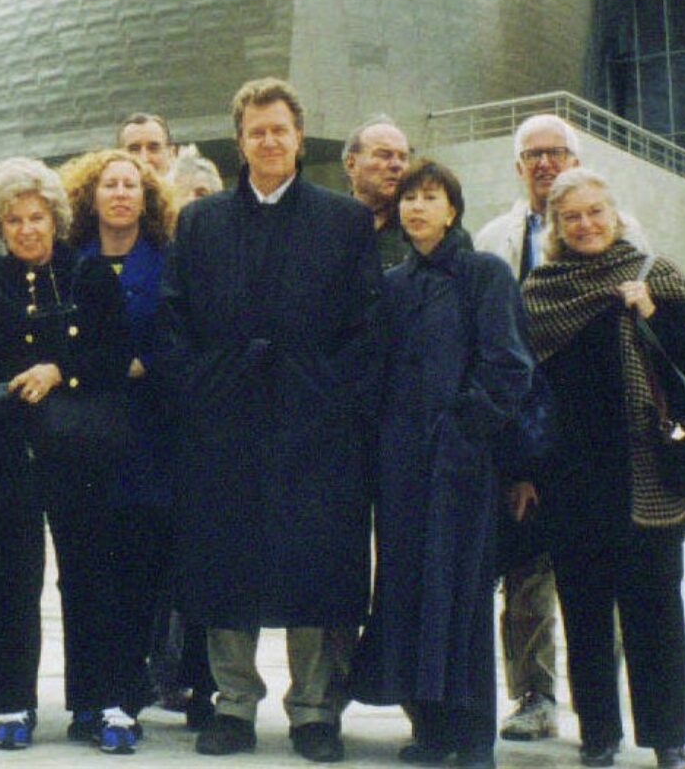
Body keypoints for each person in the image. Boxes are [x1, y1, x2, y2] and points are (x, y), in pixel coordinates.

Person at [158, 77, 383, 763]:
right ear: (240, 141)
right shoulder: (201, 222)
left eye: (280, 129)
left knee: (314, 569)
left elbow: (367, 328)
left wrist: (327, 398)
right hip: (224, 427)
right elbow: (175, 322)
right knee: (227, 569)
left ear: (298, 135)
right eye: (256, 131)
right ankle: (233, 705)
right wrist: (204, 390)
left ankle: (314, 709)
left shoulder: (343, 220)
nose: (269, 141)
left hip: (315, 430)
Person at [520, 167, 685, 769]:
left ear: (614, 215)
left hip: (650, 471)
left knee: (657, 613)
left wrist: (656, 315)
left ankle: (668, 739)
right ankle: (598, 736)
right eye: (572, 217)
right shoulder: (541, 290)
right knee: (585, 612)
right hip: (574, 479)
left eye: (596, 212)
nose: (586, 224)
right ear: (556, 227)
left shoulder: (652, 274)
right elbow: (527, 387)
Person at [0, 157, 133, 752]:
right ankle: (14, 702)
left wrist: (60, 371)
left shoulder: (91, 275)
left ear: (56, 217)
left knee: (92, 574)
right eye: (15, 220)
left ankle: (99, 704)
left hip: (82, 451)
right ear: (0, 226)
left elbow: (116, 356)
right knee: (12, 577)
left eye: (38, 217)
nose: (27, 229)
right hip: (8, 452)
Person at [353, 160, 535, 769]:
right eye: (408, 198)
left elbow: (510, 366)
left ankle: (474, 733)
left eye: (430, 197)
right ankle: (429, 725)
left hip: (461, 465)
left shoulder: (483, 275)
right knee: (406, 591)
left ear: (452, 210)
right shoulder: (395, 281)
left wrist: (461, 431)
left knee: (460, 595)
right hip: (400, 467)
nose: (416, 208)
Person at [473, 113, 647, 745]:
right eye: (533, 155)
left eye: (557, 153)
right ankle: (533, 694)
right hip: (522, 432)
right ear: (519, 167)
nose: (545, 163)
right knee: (524, 575)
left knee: (599, 583)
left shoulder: (621, 234)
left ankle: (600, 707)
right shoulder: (495, 236)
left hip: (597, 441)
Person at [61, 148, 197, 740]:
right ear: (91, 197)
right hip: (84, 440)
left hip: (149, 440)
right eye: (110, 184)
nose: (120, 193)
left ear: (148, 198)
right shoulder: (70, 262)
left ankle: (125, 691)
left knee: (139, 572)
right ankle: (85, 697)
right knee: (84, 575)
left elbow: (182, 338)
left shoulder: (166, 262)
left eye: (132, 185)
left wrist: (140, 366)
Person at [342, 115, 412, 270]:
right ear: (351, 164)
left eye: (403, 157)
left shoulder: (422, 230)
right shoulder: (324, 226)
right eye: (384, 155)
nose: (396, 165)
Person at [118, 113, 178, 180]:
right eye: (134, 149)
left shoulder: (187, 189)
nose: (144, 159)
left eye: (153, 148)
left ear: (171, 153)